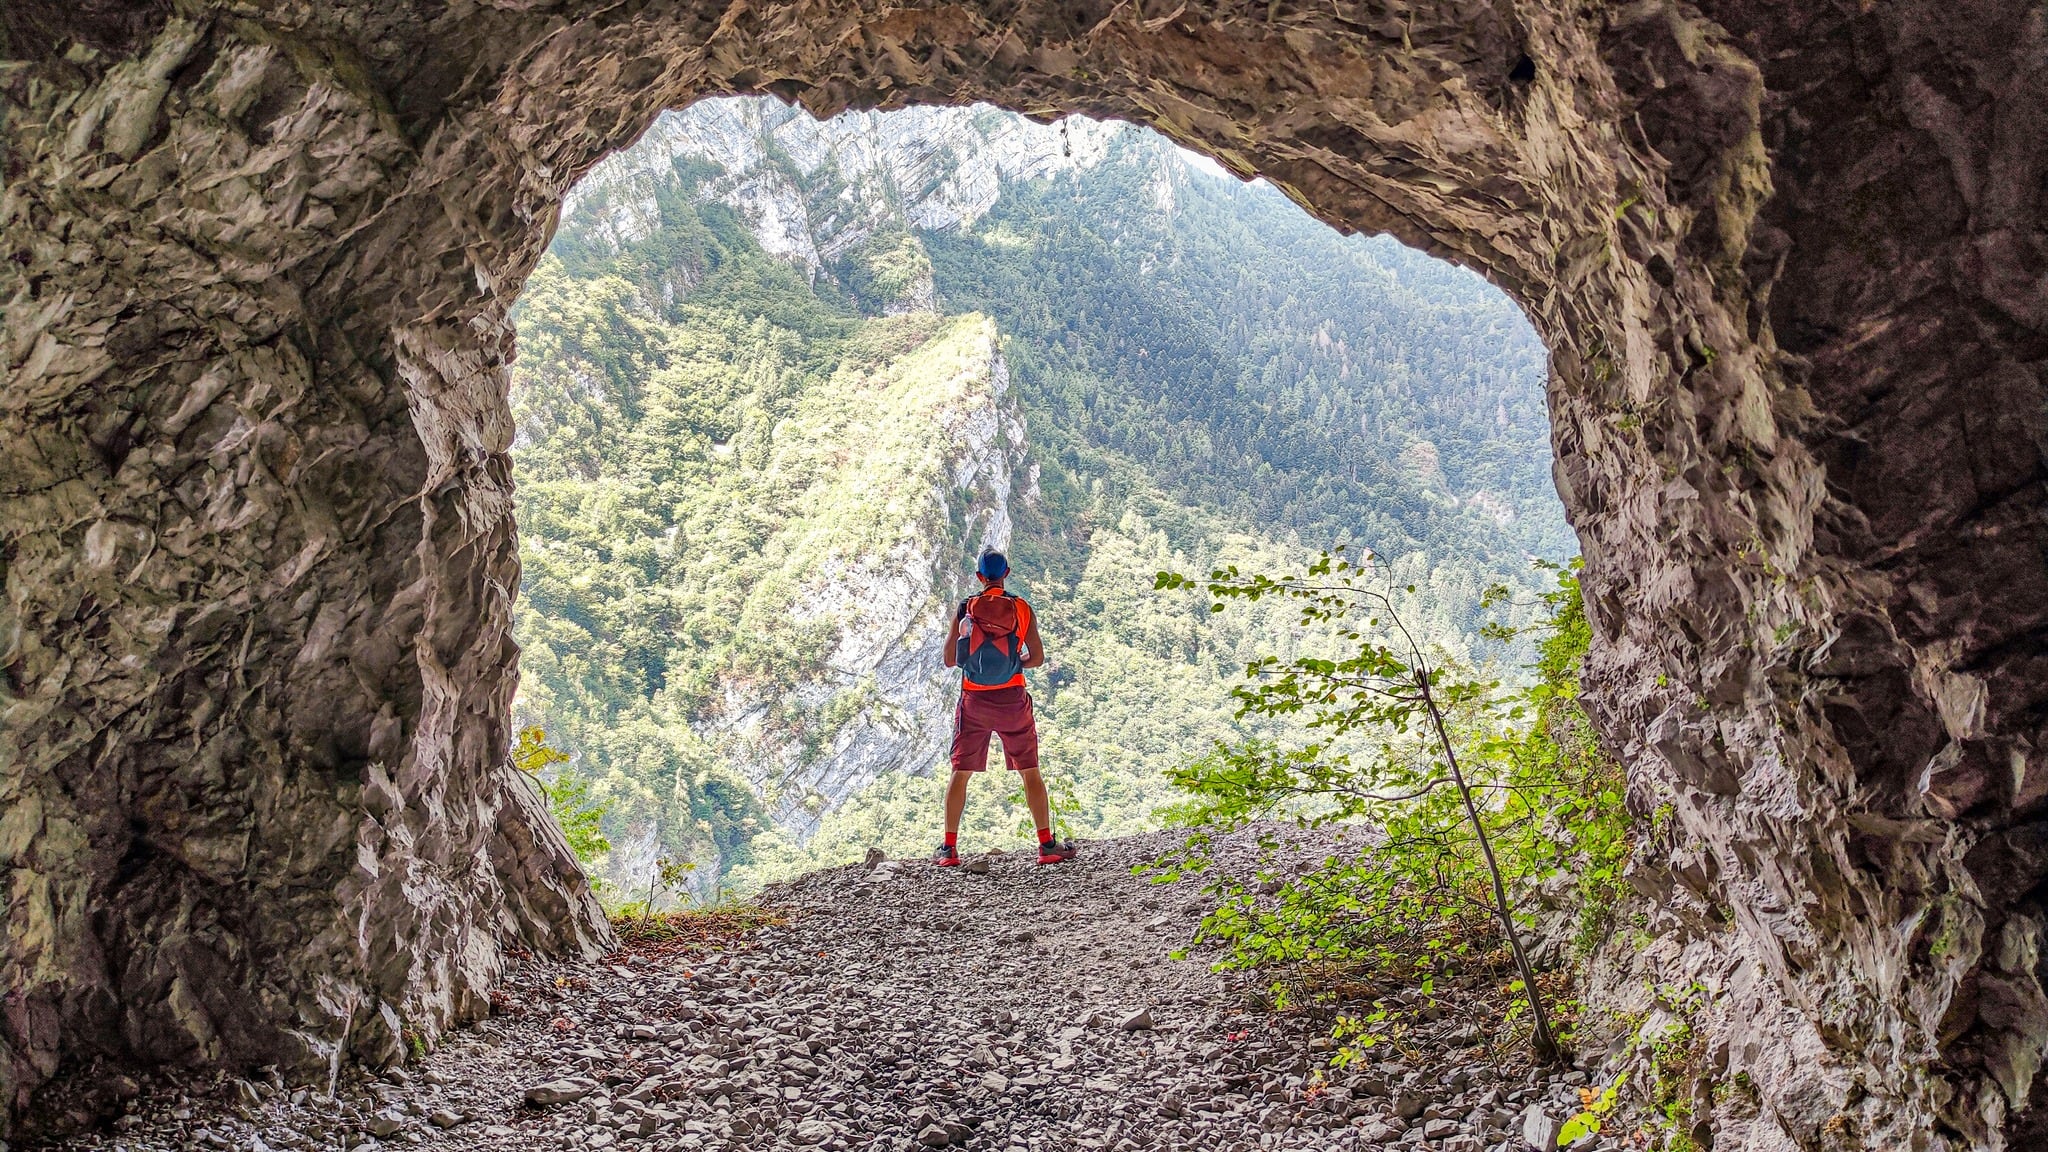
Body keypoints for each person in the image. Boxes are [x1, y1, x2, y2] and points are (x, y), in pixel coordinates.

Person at [933, 549, 1076, 867]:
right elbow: (1036, 658)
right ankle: (1046, 845)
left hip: (974, 701)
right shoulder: (1021, 608)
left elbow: (949, 659)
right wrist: (1015, 662)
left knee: (961, 773)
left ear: (980, 577)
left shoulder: (966, 608)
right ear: (1006, 573)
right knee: (1030, 773)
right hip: (1013, 699)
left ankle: (949, 850)